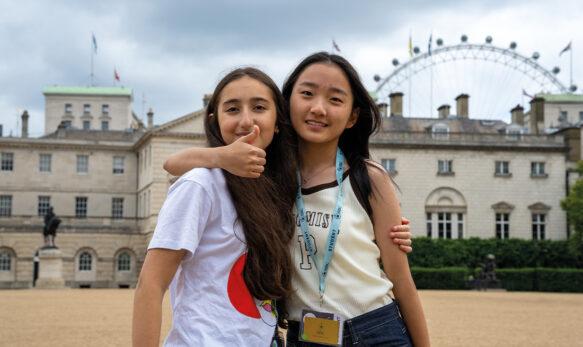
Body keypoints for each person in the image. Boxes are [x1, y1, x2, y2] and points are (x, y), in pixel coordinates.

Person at [163, 53, 427, 346]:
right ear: (286, 104)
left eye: (335, 100)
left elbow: (402, 282)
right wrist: (222, 156)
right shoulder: (266, 178)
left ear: (353, 116)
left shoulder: (370, 178)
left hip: (376, 330)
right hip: (305, 336)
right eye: (307, 93)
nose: (318, 108)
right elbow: (173, 163)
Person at [132, 67, 298, 347]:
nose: (246, 120)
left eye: (258, 107)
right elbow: (150, 285)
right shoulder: (200, 184)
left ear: (278, 121)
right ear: (215, 121)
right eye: (232, 109)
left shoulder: (277, 186)